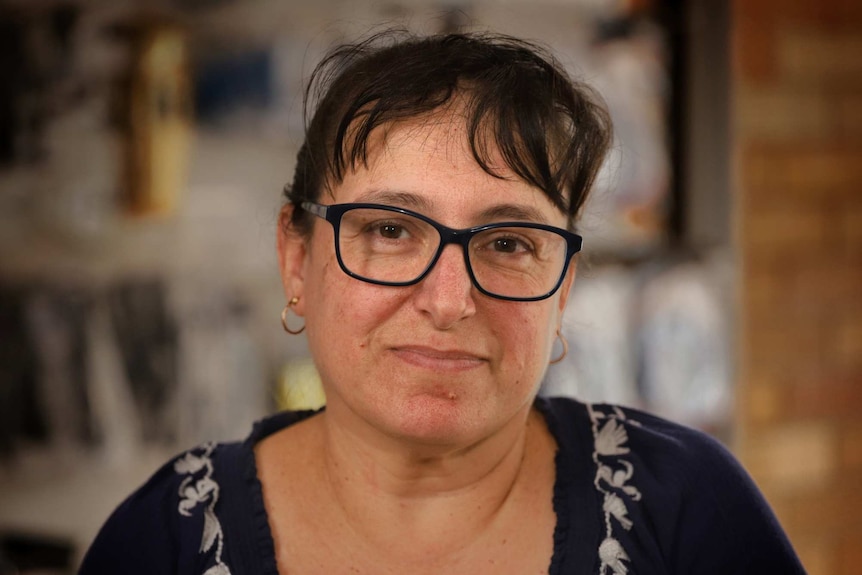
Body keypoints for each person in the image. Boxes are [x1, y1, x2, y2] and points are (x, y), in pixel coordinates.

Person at [79, 31, 805, 575]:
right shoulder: (164, 540)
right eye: (391, 230)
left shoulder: (687, 509)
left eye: (510, 242)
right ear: (297, 257)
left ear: (564, 287)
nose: (450, 299)